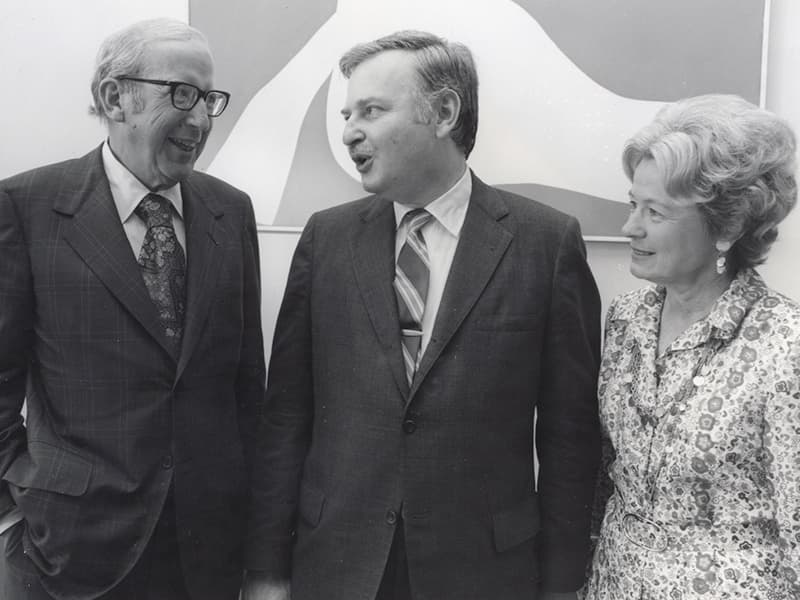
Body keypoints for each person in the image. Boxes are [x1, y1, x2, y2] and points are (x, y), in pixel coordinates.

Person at [242, 30, 601, 600]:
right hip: (337, 565)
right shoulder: (326, 238)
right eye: (347, 115)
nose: (349, 132)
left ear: (444, 113)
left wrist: (561, 585)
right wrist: (266, 573)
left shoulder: (546, 242)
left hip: (483, 573)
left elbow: (569, 435)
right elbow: (286, 416)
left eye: (372, 110)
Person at [0, 18, 265, 600]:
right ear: (114, 97)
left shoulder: (231, 210)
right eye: (182, 94)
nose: (200, 120)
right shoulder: (26, 206)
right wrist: (14, 513)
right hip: (67, 551)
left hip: (208, 549)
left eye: (209, 99)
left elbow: (248, 386)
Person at [583, 94, 800, 599]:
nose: (631, 227)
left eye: (655, 212)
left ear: (728, 227)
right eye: (633, 204)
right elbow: (606, 474)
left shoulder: (785, 344)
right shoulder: (626, 318)